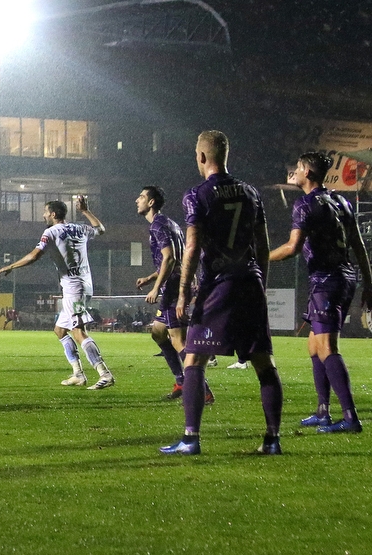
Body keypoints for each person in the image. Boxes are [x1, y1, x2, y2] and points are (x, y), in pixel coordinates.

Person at [161, 130, 283, 456]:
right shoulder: (251, 192)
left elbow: (192, 246)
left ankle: (191, 438)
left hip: (219, 283)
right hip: (251, 281)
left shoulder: (197, 194)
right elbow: (264, 245)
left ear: (202, 157)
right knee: (263, 363)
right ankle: (272, 440)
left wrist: (184, 292)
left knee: (194, 359)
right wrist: (262, 285)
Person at [269, 151, 370, 433]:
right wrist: (369, 284)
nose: (294, 172)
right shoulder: (341, 200)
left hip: (327, 279)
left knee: (327, 348)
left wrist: (262, 256)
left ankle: (351, 418)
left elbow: (292, 247)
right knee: (314, 345)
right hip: (343, 275)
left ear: (308, 174)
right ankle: (323, 411)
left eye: (298, 168)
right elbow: (358, 245)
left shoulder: (305, 204)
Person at [0, 197, 114, 389]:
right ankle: (78, 374)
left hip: (75, 288)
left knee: (78, 332)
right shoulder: (80, 228)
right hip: (82, 285)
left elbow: (34, 256)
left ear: (52, 214)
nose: (43, 215)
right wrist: (85, 211)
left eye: (45, 212)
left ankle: (104, 373)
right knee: (59, 330)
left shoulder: (51, 232)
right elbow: (100, 229)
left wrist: (11, 266)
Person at [134, 186, 214, 403]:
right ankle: (181, 380)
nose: (136, 200)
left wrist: (156, 288)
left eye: (141, 197)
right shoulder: (170, 223)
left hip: (172, 287)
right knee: (158, 332)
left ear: (151, 202)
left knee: (179, 340)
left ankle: (203, 390)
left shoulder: (158, 225)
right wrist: (150, 278)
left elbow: (169, 258)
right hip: (177, 282)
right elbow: (173, 260)